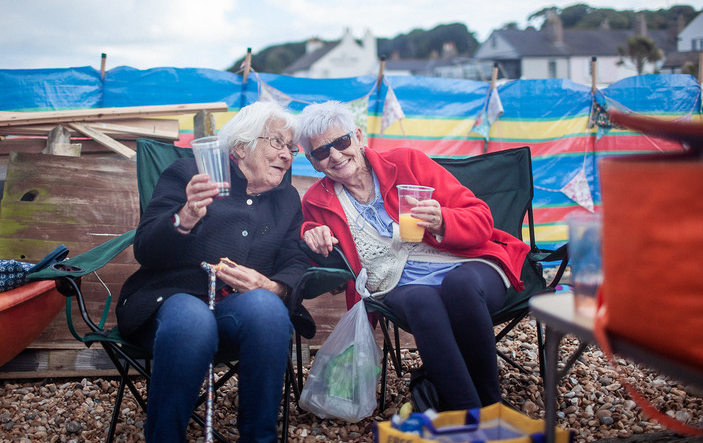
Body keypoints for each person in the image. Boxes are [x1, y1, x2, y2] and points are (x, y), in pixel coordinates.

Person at [298, 101, 530, 410]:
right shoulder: (317, 201)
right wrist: (310, 235)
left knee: (459, 285)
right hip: (396, 286)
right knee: (422, 300)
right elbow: (330, 273)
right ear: (313, 162)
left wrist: (443, 220)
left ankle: (490, 405)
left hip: (464, 265)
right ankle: (469, 413)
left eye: (341, 142)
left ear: (358, 136)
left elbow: (481, 218)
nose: (336, 156)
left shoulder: (407, 162)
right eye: (322, 152)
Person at [116, 100, 308, 443]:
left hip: (235, 310)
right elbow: (145, 248)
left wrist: (272, 285)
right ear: (240, 146)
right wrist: (186, 215)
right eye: (276, 142)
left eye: (291, 147)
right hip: (172, 299)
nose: (287, 155)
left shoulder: (288, 199)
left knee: (268, 310)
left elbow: (295, 260)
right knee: (193, 321)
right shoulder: (191, 175)